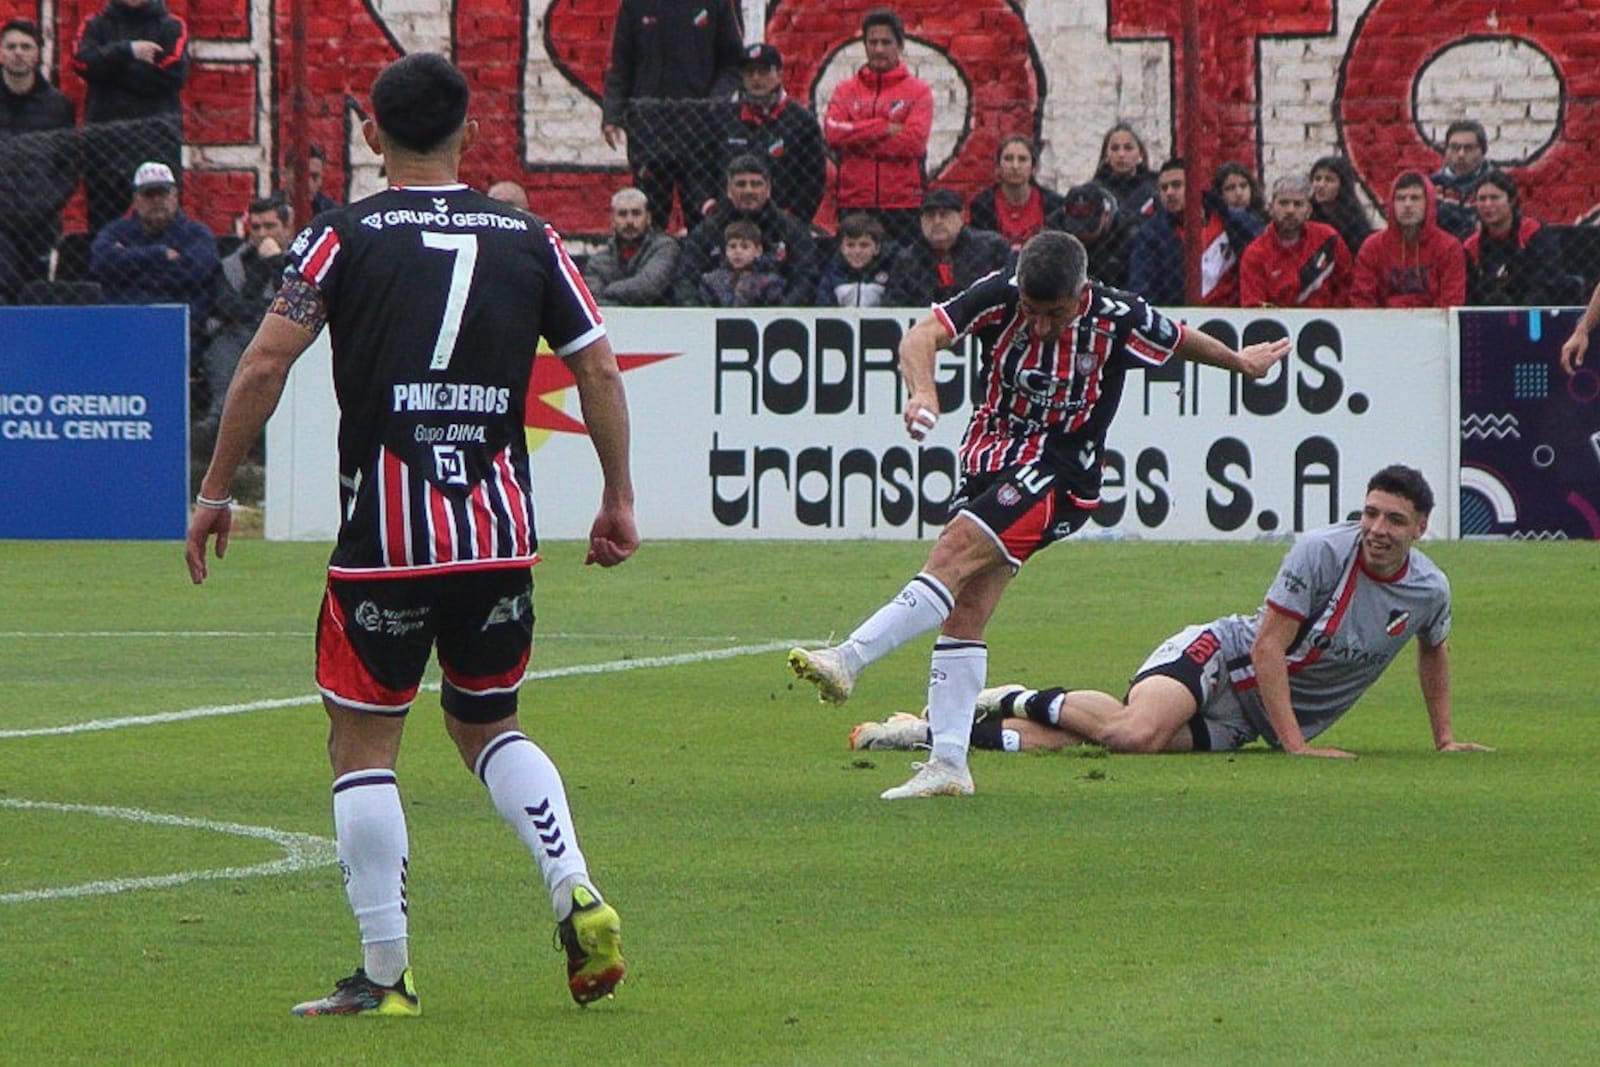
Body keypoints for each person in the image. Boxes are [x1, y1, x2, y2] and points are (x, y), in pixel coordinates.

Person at [184, 53, 636, 1015]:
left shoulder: (341, 236)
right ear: (471, 133)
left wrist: (217, 488)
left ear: (371, 136)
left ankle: (386, 974)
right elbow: (598, 369)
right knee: (488, 723)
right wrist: (618, 495)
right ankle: (576, 887)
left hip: (385, 540)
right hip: (497, 532)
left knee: (363, 744)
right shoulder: (530, 235)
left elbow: (266, 360)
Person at [787, 230, 1289, 799]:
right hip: (990, 461)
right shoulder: (999, 293)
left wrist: (1240, 363)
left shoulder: (1118, 315)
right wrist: (923, 392)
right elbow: (921, 336)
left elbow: (1180, 340)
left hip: (1059, 472)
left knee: (950, 554)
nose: (1041, 326)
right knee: (967, 609)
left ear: (1081, 293)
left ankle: (848, 658)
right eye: (1031, 311)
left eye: (1055, 314)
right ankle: (949, 764)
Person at [849, 466, 1492, 762]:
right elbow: (1268, 647)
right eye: (1370, 513)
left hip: (1250, 722)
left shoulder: (1429, 590)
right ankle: (1011, 694)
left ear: (1422, 528)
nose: (1376, 528)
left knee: (1105, 743)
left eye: (1394, 520)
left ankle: (930, 735)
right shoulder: (1322, 551)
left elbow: (1433, 648)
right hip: (1220, 660)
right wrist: (1296, 748)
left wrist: (1443, 738)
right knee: (1133, 734)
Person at [601, 0, 743, 231]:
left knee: (702, 218)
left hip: (700, 134)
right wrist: (612, 116)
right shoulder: (636, 5)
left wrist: (713, 103)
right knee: (649, 219)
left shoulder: (716, 4)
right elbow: (621, 64)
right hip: (649, 133)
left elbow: (733, 63)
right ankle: (648, 266)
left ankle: (701, 266)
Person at [73, 0, 189, 233]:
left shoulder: (171, 26)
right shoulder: (95, 25)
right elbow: (82, 61)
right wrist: (128, 51)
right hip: (104, 151)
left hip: (157, 146)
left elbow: (173, 72)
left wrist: (109, 73)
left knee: (162, 224)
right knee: (104, 229)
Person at [823, 8, 933, 250]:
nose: (879, 49)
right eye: (873, 42)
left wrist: (856, 139)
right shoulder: (845, 90)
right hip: (854, 201)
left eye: (886, 42)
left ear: (900, 45)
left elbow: (912, 143)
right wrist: (882, 127)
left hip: (902, 204)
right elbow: (833, 133)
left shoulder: (918, 91)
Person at [194, 193, 292, 444]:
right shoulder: (233, 262)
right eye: (256, 227)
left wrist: (275, 261)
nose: (261, 234)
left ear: (286, 227)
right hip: (235, 333)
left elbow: (295, 297)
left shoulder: (298, 260)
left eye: (270, 226)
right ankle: (217, 426)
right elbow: (228, 305)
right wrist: (264, 305)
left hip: (282, 336)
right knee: (224, 350)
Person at [91, 160, 218, 351]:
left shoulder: (197, 234)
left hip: (181, 331)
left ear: (175, 196)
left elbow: (191, 275)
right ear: (135, 199)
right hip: (121, 327)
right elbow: (100, 263)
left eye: (163, 193)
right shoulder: (115, 231)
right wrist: (158, 254)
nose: (157, 200)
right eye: (149, 194)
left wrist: (127, 268)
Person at [671, 153, 818, 306]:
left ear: (768, 190)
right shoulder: (708, 230)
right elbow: (685, 278)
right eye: (741, 184)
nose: (749, 190)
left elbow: (807, 278)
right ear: (728, 190)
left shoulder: (791, 229)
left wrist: (780, 313)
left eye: (756, 184)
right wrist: (701, 314)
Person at [0, 18, 78, 299]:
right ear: (1, 52)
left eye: (25, 46)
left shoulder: (57, 106)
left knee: (37, 293)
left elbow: (70, 165)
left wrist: (46, 202)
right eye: (11, 46)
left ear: (37, 53)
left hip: (40, 221)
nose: (18, 53)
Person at [710, 43, 825, 225]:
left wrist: (792, 219)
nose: (756, 78)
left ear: (779, 75)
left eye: (763, 71)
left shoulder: (802, 121)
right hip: (727, 223)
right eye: (750, 72)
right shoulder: (723, 117)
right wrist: (710, 207)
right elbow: (703, 166)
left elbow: (814, 180)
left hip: (782, 224)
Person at [1350, 170, 1466, 308]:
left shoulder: (1449, 247)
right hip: (1383, 324)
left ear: (1428, 202)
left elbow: (1452, 301)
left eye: (1415, 198)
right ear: (1391, 204)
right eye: (1400, 198)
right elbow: (1362, 298)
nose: (1407, 204)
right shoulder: (1373, 247)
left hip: (1434, 325)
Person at [883, 187, 1010, 307]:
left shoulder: (991, 248)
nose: (937, 221)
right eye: (930, 215)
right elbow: (893, 304)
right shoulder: (907, 261)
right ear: (921, 221)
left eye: (944, 214)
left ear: (961, 217)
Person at [1238, 175, 1351, 308]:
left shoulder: (1328, 240)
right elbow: (1254, 305)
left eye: (1298, 204)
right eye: (1283, 203)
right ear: (1270, 209)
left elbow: (1348, 288)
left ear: (1308, 211)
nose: (1290, 210)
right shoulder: (1255, 254)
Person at [1463, 171, 1566, 307]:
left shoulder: (1533, 232)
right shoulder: (1471, 245)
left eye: (1494, 198)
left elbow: (1549, 279)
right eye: (1482, 199)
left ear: (1511, 201)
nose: (1487, 204)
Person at [582, 186, 679, 306]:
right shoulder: (598, 262)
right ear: (612, 220)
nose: (629, 221)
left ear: (648, 218)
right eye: (622, 214)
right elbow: (593, 301)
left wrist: (608, 290)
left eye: (636, 213)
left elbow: (648, 287)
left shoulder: (665, 247)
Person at [969, 136, 1066, 251]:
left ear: (1033, 167)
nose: (1015, 166)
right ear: (998, 166)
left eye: (1022, 159)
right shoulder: (982, 205)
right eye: (1008, 159)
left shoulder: (1054, 204)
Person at [1198, 161, 1267, 307]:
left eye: (1243, 186)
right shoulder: (1213, 225)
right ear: (1220, 194)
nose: (1239, 193)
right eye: (1230, 188)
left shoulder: (1262, 222)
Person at [1046, 182, 1133, 290]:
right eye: (1075, 222)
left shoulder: (1125, 236)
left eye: (1088, 225)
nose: (1081, 232)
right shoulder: (1052, 233)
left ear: (1105, 216)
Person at [1127, 158, 1188, 305]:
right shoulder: (1149, 234)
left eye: (1177, 185)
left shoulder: (1223, 222)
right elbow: (1141, 286)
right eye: (1164, 188)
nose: (1169, 193)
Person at [1430, 119, 1494, 241]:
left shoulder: (1496, 186)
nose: (1461, 154)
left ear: (1483, 150)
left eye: (1468, 148)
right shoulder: (1430, 187)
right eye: (1455, 147)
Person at [697, 218, 784, 307]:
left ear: (758, 250)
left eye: (745, 247)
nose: (738, 251)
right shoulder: (711, 281)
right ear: (726, 250)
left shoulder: (769, 281)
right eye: (732, 246)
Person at [814, 210, 894, 307]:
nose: (857, 252)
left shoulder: (890, 271)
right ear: (842, 248)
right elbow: (823, 306)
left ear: (877, 248)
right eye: (850, 245)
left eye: (864, 245)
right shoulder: (832, 275)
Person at [1088, 122, 1157, 221]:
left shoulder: (1155, 186)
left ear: (1140, 153)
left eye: (1128, 148)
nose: (1121, 154)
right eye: (1115, 148)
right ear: (1106, 154)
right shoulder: (1094, 191)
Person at [1309, 155, 1372, 255]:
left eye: (1329, 180)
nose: (1321, 185)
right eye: (1317, 179)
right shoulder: (1306, 215)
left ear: (1342, 185)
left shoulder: (1354, 222)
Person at [307, 144, 339, 215]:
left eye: (315, 177)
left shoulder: (332, 213)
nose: (309, 183)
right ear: (285, 174)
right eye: (302, 177)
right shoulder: (277, 208)